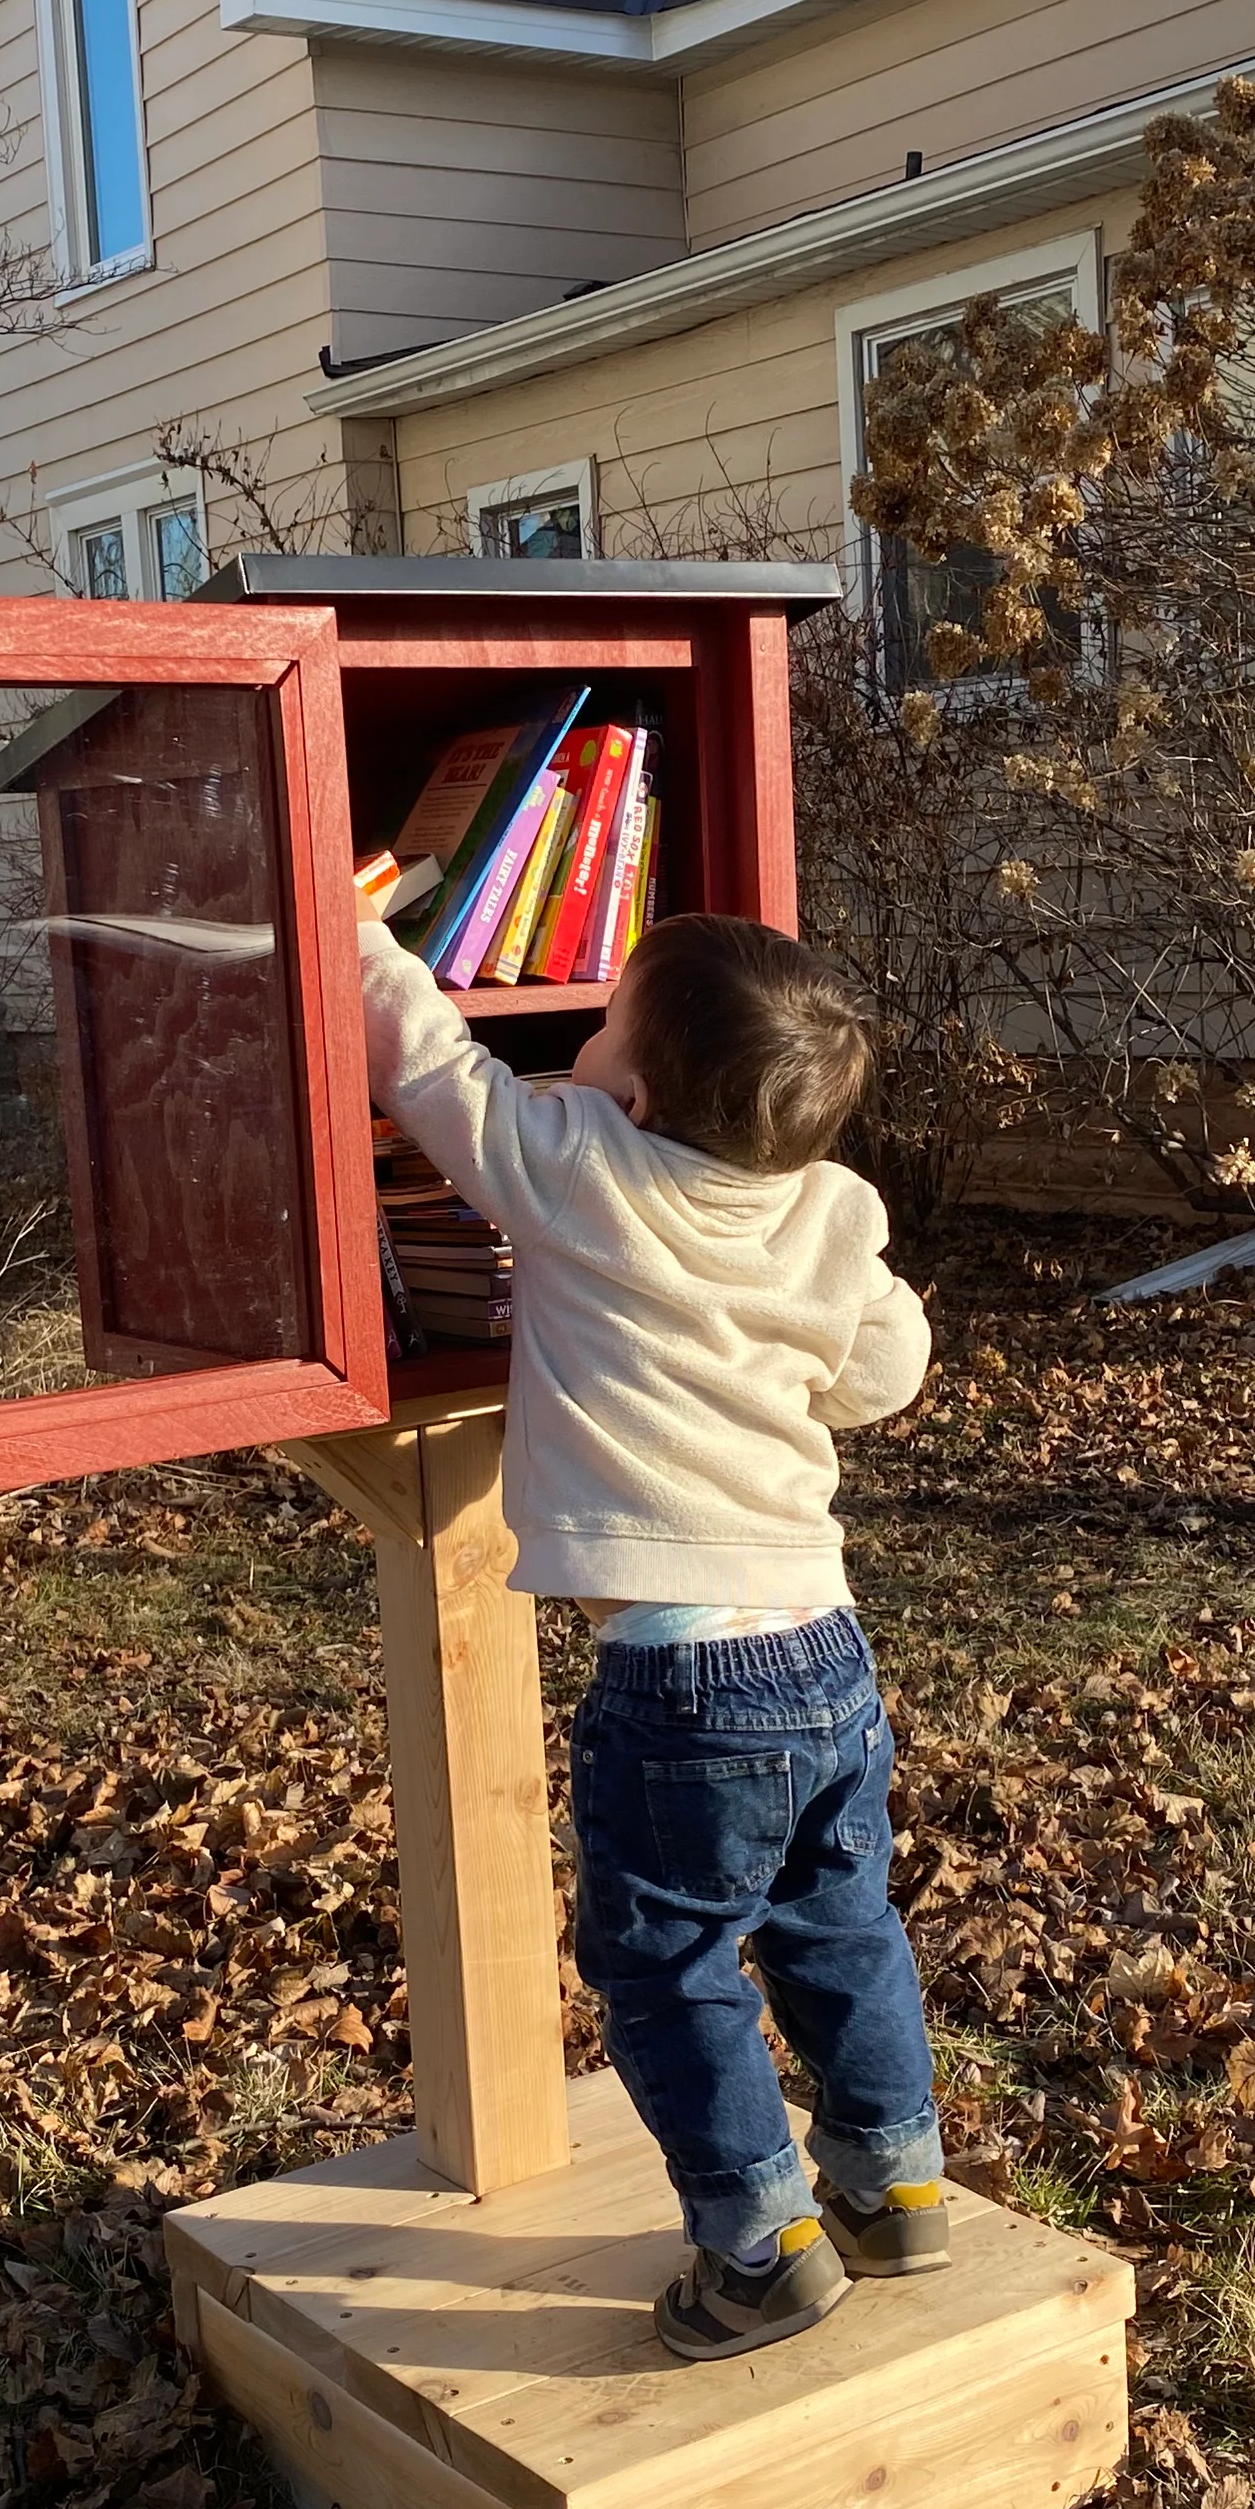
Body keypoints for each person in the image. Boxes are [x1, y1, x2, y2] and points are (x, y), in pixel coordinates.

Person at [360, 903, 940, 2362]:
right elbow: (887, 1368)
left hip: (683, 1674)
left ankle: (758, 2248)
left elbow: (435, 1070)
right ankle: (893, 2182)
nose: (577, 1030)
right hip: (823, 1643)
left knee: (669, 1964)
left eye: (601, 1014)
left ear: (630, 1091)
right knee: (838, 1921)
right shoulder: (832, 1209)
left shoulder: (577, 1166)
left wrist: (355, 938)